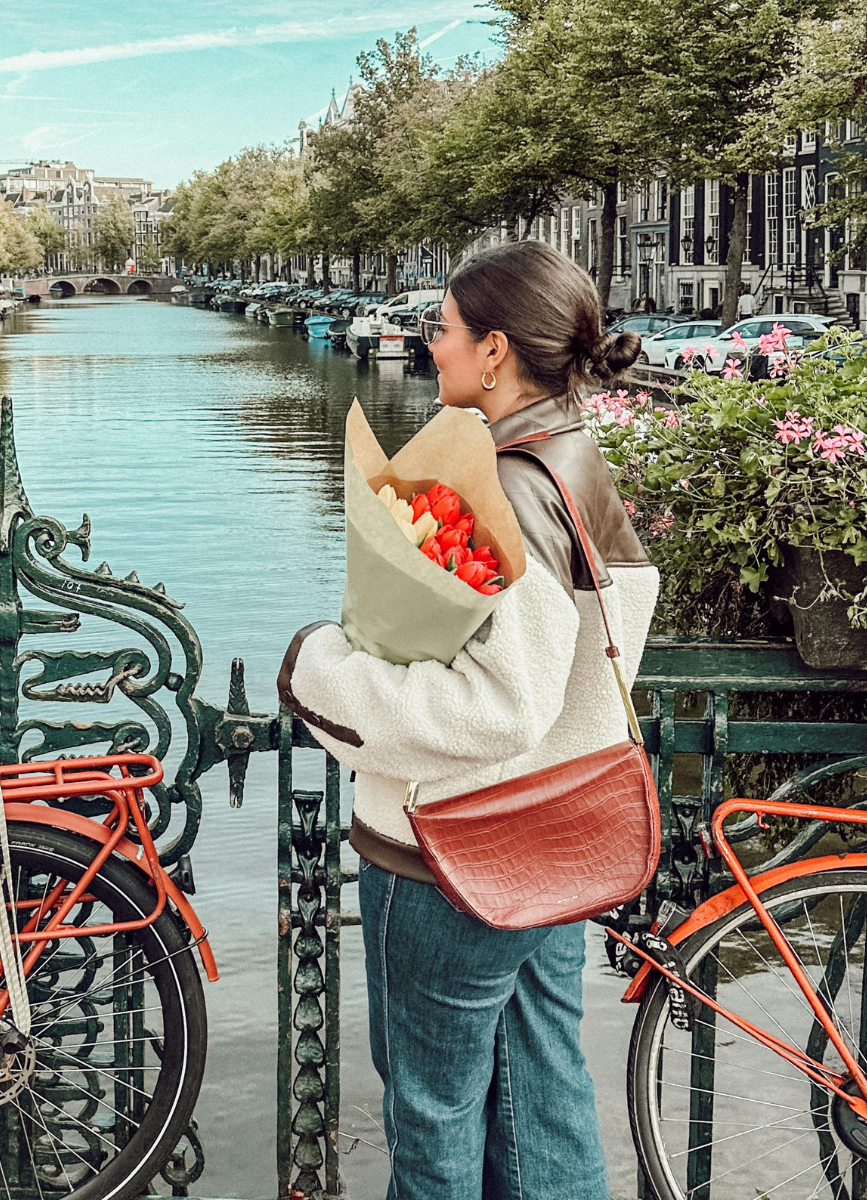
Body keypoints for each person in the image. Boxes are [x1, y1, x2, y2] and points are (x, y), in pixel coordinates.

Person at [278, 241, 659, 1200]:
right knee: (542, 1098)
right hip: (553, 837)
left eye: (442, 328)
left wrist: (319, 669)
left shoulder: (512, 485)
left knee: (432, 1114)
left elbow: (501, 704)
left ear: (495, 350)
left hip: (454, 855)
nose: (429, 343)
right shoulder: (571, 456)